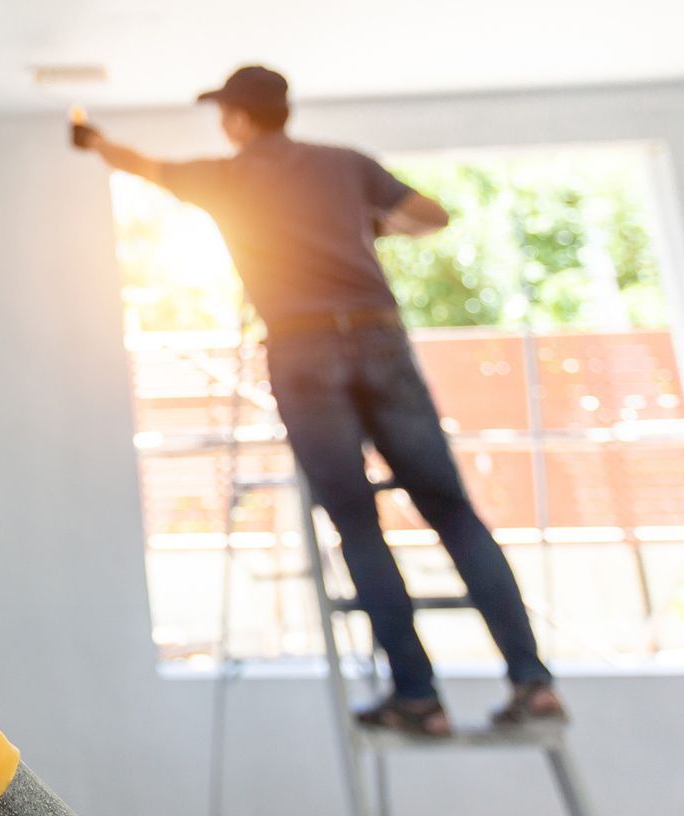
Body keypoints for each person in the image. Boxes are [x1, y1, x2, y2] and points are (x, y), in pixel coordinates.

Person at [72, 65, 565, 735]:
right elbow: (431, 216)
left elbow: (141, 164)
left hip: (303, 351)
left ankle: (418, 697)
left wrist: (93, 139)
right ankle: (532, 683)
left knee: (357, 523)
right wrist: (363, 228)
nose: (222, 124)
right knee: (450, 510)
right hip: (378, 339)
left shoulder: (224, 177)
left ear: (242, 119)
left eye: (225, 113)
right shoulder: (344, 164)